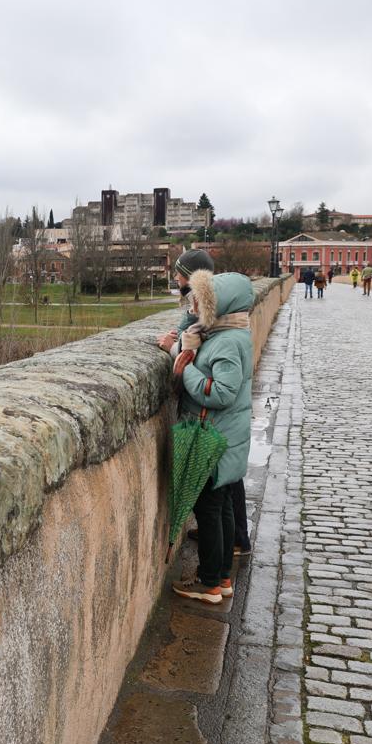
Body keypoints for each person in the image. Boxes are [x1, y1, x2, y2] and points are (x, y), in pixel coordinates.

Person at [169, 270, 255, 604]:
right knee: (219, 508)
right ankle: (221, 578)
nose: (193, 309)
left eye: (200, 303)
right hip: (225, 435)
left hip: (214, 437)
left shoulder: (227, 342)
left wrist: (185, 368)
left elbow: (220, 393)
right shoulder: (231, 334)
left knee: (209, 510)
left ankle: (209, 583)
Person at [156, 249, 215, 354]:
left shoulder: (214, 315)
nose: (176, 278)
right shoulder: (205, 307)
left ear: (190, 277)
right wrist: (180, 335)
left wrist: (173, 348)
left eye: (178, 273)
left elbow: (204, 357)